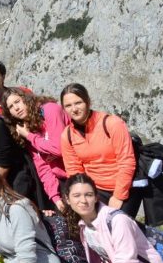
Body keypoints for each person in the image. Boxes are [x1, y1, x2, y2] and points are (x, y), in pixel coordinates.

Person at [59, 83, 140, 217]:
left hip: (123, 187)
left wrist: (118, 196)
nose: (74, 109)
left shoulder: (112, 124)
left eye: (78, 103)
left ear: (88, 102)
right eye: (68, 106)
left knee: (119, 226)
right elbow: (74, 171)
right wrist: (83, 197)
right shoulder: (67, 135)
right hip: (94, 190)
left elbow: (126, 161)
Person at [2, 88, 70, 212]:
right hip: (62, 180)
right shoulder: (27, 128)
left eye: (17, 101)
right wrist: (55, 197)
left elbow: (59, 148)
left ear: (27, 99)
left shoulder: (50, 109)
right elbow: (43, 166)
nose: (16, 108)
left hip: (80, 172)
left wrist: (30, 136)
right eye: (11, 107)